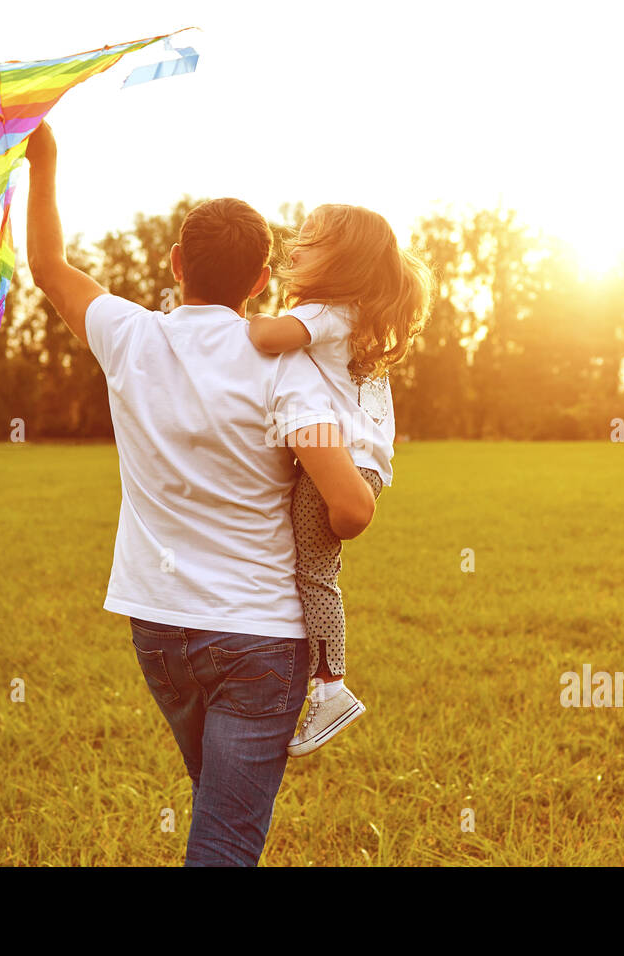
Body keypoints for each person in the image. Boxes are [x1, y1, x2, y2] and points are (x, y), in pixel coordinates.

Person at [23, 122, 376, 866]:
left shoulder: (128, 335)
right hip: (258, 637)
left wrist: (44, 156)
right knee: (224, 840)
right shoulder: (285, 369)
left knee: (216, 818)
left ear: (176, 263)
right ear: (260, 282)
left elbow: (49, 265)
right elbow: (348, 508)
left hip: (157, 630)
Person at [247, 205, 431, 755]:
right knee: (318, 569)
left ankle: (331, 687)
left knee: (315, 573)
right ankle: (327, 683)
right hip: (369, 465)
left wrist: (241, 318)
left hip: (340, 464)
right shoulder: (360, 318)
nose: (294, 246)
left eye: (311, 239)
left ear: (342, 260)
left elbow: (266, 339)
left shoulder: (325, 315)